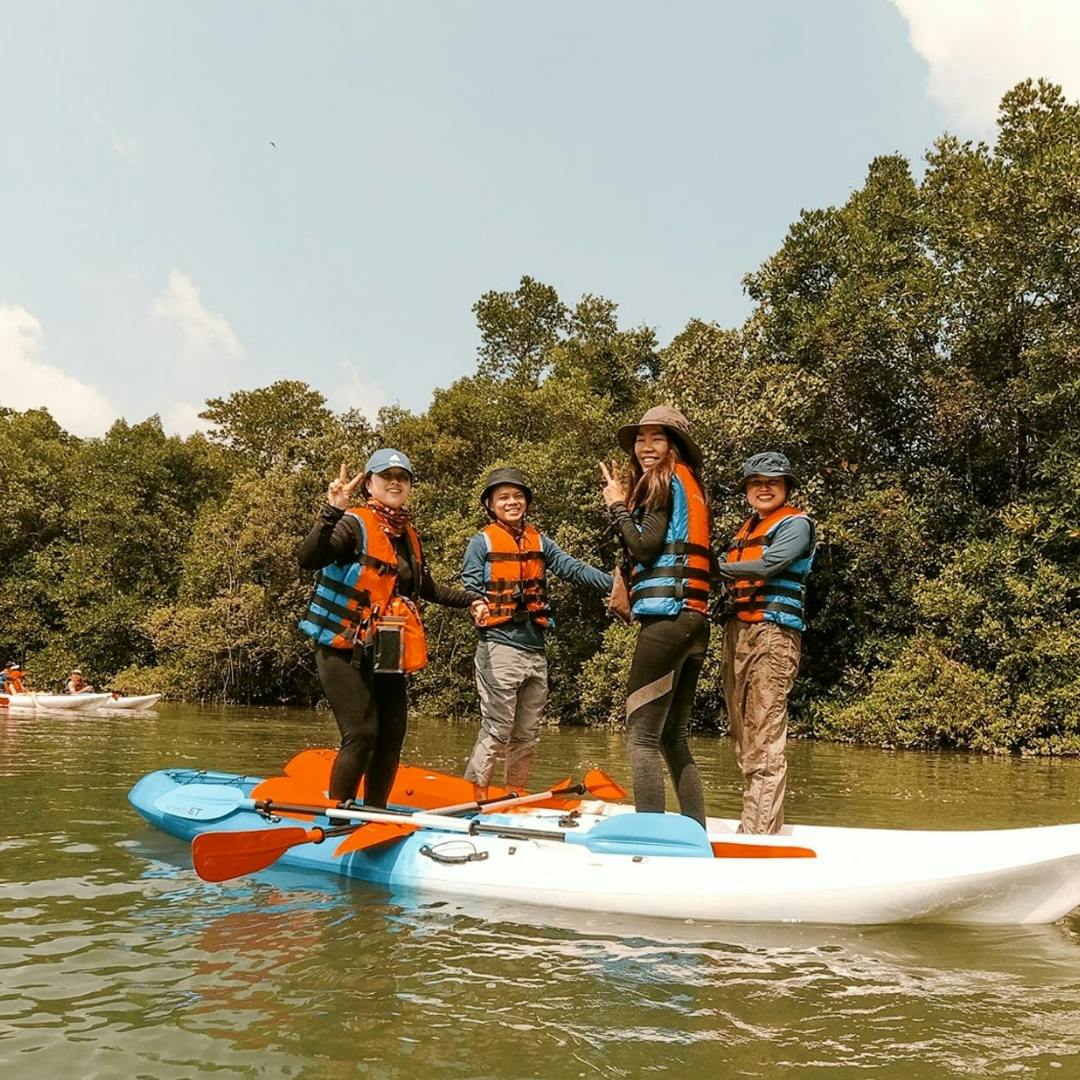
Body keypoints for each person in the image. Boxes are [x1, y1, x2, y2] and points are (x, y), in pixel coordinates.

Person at [297, 449, 487, 807]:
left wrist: (473, 599)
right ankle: (339, 815)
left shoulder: (408, 535)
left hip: (386, 648)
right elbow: (309, 559)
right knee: (362, 732)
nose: (396, 482)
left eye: (403, 477)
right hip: (342, 648)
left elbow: (428, 589)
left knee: (392, 734)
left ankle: (375, 813)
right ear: (370, 484)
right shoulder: (352, 524)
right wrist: (331, 510)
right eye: (387, 476)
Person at [460, 467, 613, 801]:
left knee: (527, 732)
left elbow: (572, 568)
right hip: (498, 645)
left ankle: (514, 794)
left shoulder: (540, 541)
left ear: (526, 502)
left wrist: (616, 584)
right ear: (490, 504)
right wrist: (477, 605)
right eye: (503, 497)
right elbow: (470, 585)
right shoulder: (481, 541)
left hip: (534, 647)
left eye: (518, 496)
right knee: (498, 726)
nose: (512, 502)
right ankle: (479, 797)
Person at [600, 406, 712, 826]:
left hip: (666, 623)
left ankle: (652, 835)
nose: (646, 446)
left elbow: (645, 546)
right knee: (673, 736)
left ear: (674, 445)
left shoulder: (661, 480)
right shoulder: (691, 483)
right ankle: (694, 830)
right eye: (641, 439)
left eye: (657, 438)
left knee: (641, 737)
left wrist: (616, 506)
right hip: (694, 622)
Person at [716, 452, 815, 835]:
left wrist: (716, 566)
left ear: (787, 488)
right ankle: (757, 825)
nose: (764, 488)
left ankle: (758, 836)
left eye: (773, 482)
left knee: (764, 737)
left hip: (772, 635)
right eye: (756, 482)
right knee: (745, 738)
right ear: (747, 491)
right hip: (739, 633)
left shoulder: (795, 525)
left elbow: (770, 564)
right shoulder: (746, 530)